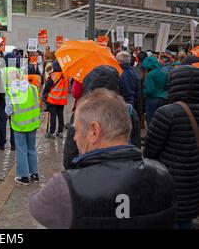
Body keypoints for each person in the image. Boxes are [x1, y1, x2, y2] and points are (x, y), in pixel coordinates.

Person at [29, 88, 176, 229]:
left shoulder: (66, 187)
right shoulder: (162, 174)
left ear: (94, 131)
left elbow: (36, 206)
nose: (74, 137)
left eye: (77, 130)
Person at [144, 66, 199, 229]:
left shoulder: (167, 113)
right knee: (186, 219)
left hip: (169, 180)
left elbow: (150, 150)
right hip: (194, 179)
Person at [63, 66, 141, 170]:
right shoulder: (128, 110)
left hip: (89, 173)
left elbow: (70, 152)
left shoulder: (83, 112)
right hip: (123, 172)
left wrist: (74, 176)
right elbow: (136, 147)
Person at [5, 68, 41, 185]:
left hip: (19, 125)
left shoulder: (11, 91)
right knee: (32, 148)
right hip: (33, 123)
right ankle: (34, 174)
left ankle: (24, 176)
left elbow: (9, 110)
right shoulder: (33, 88)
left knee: (21, 150)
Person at [42, 61, 68, 139]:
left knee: (52, 116)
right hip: (62, 99)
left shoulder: (53, 76)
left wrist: (44, 94)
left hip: (53, 99)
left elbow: (47, 87)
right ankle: (60, 132)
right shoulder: (65, 76)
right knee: (60, 116)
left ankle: (51, 132)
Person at [142, 56, 168, 126]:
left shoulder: (150, 74)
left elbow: (150, 90)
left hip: (152, 100)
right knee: (162, 120)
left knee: (151, 121)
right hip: (164, 98)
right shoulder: (164, 72)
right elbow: (167, 86)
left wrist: (143, 91)